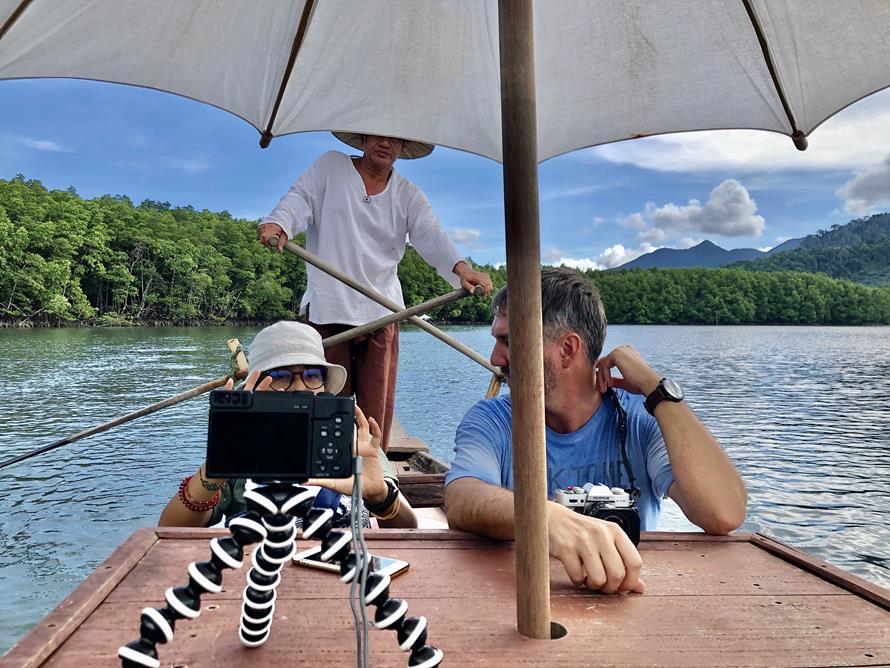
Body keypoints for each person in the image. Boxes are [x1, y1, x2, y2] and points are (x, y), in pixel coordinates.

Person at [443, 267, 746, 594]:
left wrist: (656, 389)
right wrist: (545, 518)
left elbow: (724, 513)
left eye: (507, 340)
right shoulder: (492, 420)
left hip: (628, 597)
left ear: (568, 349)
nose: (494, 357)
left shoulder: (640, 420)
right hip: (521, 596)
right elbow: (461, 498)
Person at [257, 133, 492, 452]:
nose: (385, 144)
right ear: (364, 138)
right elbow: (299, 199)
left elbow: (431, 236)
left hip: (382, 312)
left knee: (374, 415)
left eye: (395, 139)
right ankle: (325, 479)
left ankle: (373, 482)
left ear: (403, 147)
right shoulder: (331, 167)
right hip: (329, 308)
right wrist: (279, 223)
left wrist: (463, 270)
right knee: (327, 407)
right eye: (378, 136)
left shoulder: (408, 194)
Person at [159, 321, 417, 529]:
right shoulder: (239, 448)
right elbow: (169, 529)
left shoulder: (353, 440)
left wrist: (379, 496)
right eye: (281, 376)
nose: (299, 387)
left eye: (312, 375)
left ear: (325, 386)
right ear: (257, 390)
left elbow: (408, 526)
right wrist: (216, 467)